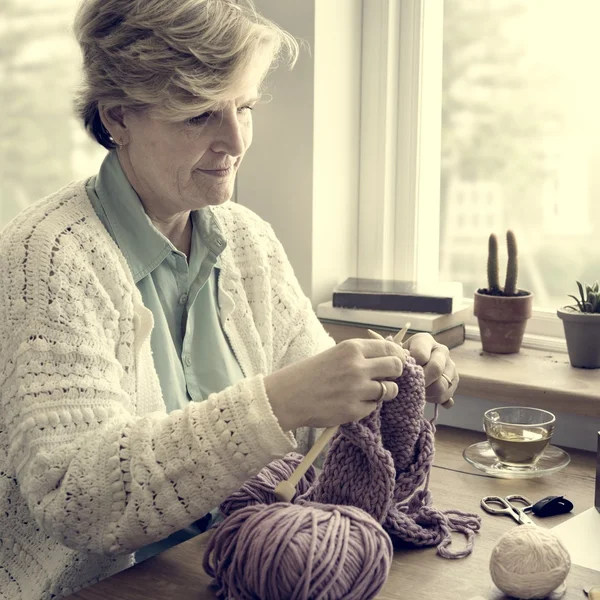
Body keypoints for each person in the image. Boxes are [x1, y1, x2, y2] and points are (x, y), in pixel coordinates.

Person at [0, 1, 458, 598]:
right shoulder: (45, 259)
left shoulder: (244, 238)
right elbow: (78, 503)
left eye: (244, 107)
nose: (236, 140)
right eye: (198, 115)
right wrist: (275, 403)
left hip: (238, 564)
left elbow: (324, 412)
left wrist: (391, 377)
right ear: (118, 117)